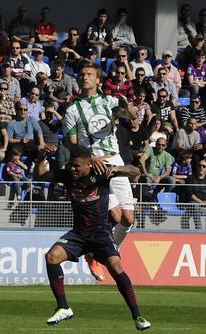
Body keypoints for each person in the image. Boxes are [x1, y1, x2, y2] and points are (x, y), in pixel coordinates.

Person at [35, 144, 150, 330]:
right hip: (79, 234)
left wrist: (117, 168)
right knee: (51, 256)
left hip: (101, 234)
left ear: (89, 165)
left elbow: (135, 170)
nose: (73, 169)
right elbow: (41, 175)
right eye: (72, 165)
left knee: (115, 267)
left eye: (77, 166)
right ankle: (63, 307)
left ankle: (137, 315)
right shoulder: (67, 176)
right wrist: (41, 158)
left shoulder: (102, 174)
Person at [63, 61, 138, 266]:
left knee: (128, 219)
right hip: (93, 164)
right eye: (82, 74)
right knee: (114, 214)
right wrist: (89, 159)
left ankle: (105, 250)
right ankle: (101, 254)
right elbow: (71, 144)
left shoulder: (110, 102)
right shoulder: (72, 110)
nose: (84, 77)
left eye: (89, 74)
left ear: (97, 80)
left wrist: (127, 107)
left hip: (115, 160)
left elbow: (133, 119)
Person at [180, 158, 206, 230]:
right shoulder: (190, 178)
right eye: (200, 166)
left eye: (204, 166)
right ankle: (198, 230)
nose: (201, 168)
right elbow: (190, 193)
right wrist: (201, 202)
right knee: (194, 208)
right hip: (194, 203)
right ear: (197, 167)